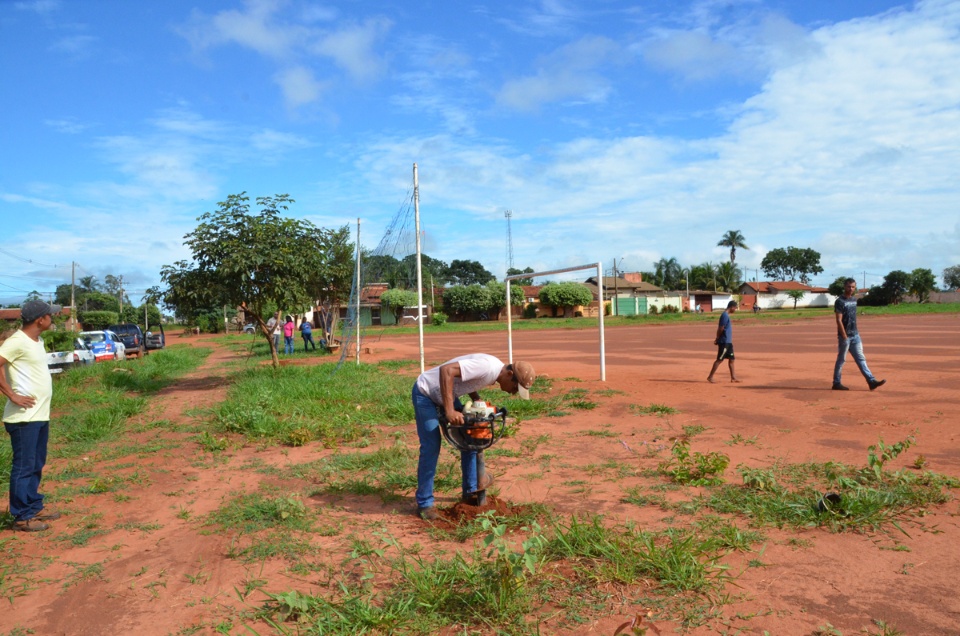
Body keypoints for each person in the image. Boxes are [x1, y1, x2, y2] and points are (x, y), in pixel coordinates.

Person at [412, 354, 535, 520]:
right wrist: (449, 410)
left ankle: (470, 492)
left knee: (470, 438)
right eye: (515, 388)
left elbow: (467, 379)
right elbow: (446, 371)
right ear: (510, 374)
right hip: (426, 392)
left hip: (446, 392)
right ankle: (425, 503)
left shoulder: (493, 372)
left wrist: (476, 399)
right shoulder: (488, 368)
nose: (513, 393)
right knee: (431, 446)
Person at [0, 300, 63, 532]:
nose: (52, 318)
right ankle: (21, 516)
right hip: (23, 418)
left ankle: (33, 506)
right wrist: (12, 395)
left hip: (39, 414)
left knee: (36, 463)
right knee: (24, 466)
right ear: (40, 319)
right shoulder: (16, 341)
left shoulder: (37, 340)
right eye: (50, 315)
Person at [833, 278, 886, 391]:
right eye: (848, 286)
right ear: (844, 287)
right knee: (841, 360)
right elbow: (838, 320)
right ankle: (836, 383)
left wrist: (854, 334)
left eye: (853, 287)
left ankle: (871, 381)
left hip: (855, 335)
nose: (851, 289)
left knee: (861, 359)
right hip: (845, 336)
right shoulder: (840, 301)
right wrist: (844, 336)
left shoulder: (854, 300)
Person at [707, 300, 740, 383]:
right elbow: (721, 328)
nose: (735, 310)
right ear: (732, 307)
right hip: (724, 341)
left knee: (732, 359)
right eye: (735, 308)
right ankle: (710, 377)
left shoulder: (727, 315)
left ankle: (733, 377)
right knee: (720, 360)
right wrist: (717, 338)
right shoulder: (724, 315)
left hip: (728, 342)